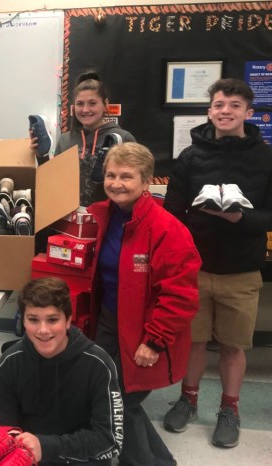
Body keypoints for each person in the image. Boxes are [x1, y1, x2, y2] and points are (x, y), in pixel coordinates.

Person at [162, 78, 272, 449]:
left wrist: (241, 219)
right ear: (209, 111)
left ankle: (230, 409)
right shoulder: (190, 157)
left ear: (248, 112)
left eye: (235, 105)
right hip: (195, 269)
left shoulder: (266, 157)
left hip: (241, 270)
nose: (226, 111)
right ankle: (187, 399)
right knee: (192, 342)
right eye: (219, 104)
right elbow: (172, 214)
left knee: (233, 346)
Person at [88, 142, 201, 465]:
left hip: (144, 333)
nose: (116, 183)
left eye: (126, 176)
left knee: (120, 403)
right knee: (114, 399)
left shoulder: (168, 231)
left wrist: (154, 340)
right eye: (111, 175)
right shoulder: (102, 216)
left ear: (146, 180)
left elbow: (180, 297)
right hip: (110, 323)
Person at [0, 277, 122, 466]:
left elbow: (110, 441)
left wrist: (46, 447)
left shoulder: (99, 365)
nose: (43, 330)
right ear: (24, 322)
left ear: (68, 320)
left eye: (52, 319)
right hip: (27, 457)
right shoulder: (10, 363)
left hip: (80, 459)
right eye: (33, 319)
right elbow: (4, 429)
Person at [34, 72, 135, 206]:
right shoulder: (65, 140)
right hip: (68, 216)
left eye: (92, 103)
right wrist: (41, 154)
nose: (85, 109)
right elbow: (54, 182)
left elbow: (132, 184)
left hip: (108, 219)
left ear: (105, 104)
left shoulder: (122, 138)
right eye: (80, 104)